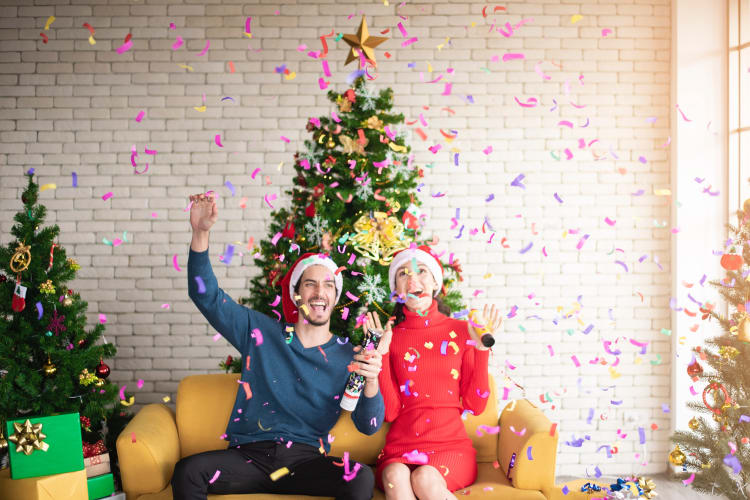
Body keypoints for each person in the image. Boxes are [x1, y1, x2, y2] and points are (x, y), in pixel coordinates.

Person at [172, 193, 385, 500]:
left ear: (336, 299)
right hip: (249, 457)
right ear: (297, 294)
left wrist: (372, 378)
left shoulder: (348, 355)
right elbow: (206, 296)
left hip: (307, 460)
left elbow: (369, 426)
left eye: (328, 285)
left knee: (360, 477)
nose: (319, 291)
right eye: (310, 283)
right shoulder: (262, 333)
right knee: (188, 471)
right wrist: (201, 233)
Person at [364, 245, 502, 500]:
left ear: (435, 282)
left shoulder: (463, 331)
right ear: (397, 290)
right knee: (395, 476)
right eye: (403, 274)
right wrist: (381, 357)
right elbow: (391, 412)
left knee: (425, 478)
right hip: (400, 449)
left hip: (450, 448)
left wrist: (481, 350)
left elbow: (477, 404)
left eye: (422, 271)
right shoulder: (391, 338)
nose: (413, 279)